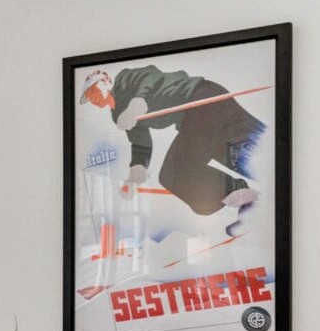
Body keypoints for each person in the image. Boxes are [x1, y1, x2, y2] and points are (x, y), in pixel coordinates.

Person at [82, 65, 265, 236]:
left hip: (199, 97)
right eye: (88, 97)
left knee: (176, 173)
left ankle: (247, 198)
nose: (92, 98)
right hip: (198, 114)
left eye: (92, 91)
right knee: (248, 151)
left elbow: (151, 76)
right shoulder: (118, 115)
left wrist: (136, 105)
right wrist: (135, 175)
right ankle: (252, 206)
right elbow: (140, 143)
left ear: (105, 82)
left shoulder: (124, 80)